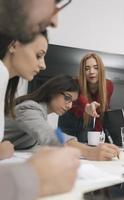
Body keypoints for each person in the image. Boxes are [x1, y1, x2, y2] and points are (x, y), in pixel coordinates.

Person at [0, 1, 81, 199]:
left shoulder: (5, 82)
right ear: (14, 44)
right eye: (38, 55)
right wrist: (31, 177)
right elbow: (49, 135)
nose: (43, 66)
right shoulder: (30, 107)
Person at [5, 75, 120, 161]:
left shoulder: (40, 113)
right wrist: (89, 151)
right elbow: (49, 134)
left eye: (72, 102)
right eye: (67, 98)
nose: (70, 105)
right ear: (53, 91)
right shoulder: (29, 108)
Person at [58, 53, 114, 142]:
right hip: (68, 119)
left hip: (86, 120)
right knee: (64, 150)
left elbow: (101, 110)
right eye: (86, 68)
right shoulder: (75, 82)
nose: (91, 72)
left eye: (96, 67)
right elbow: (79, 100)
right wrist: (87, 106)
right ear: (82, 71)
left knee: (86, 150)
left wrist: (97, 134)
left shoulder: (108, 85)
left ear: (101, 70)